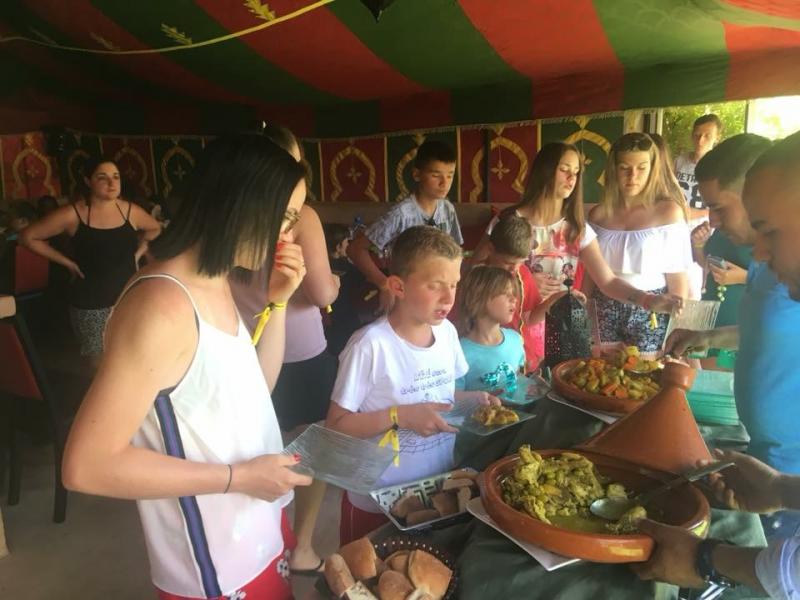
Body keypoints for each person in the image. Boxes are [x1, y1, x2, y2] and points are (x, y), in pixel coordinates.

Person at [61, 134, 313, 600]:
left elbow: (255, 390)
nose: (288, 236)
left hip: (256, 525)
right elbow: (87, 465)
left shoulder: (214, 282)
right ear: (239, 205)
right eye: (284, 217)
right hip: (214, 565)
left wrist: (277, 304)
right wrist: (239, 478)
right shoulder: (162, 306)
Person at [326, 226, 498, 544]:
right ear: (398, 286)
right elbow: (336, 426)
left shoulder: (447, 333)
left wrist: (475, 399)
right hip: (377, 500)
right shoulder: (370, 345)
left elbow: (439, 396)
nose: (449, 298)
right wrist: (400, 416)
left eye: (454, 285)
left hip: (435, 491)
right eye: (435, 286)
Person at [666, 131, 800, 537]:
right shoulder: (765, 263)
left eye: (719, 207)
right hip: (770, 467)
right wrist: (707, 338)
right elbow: (764, 332)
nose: (713, 221)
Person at [229, 124, 338, 577]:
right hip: (298, 348)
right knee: (312, 449)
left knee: (256, 450)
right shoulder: (303, 215)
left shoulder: (229, 214)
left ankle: (267, 546)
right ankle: (303, 547)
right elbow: (320, 292)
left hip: (241, 346)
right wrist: (336, 283)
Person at [472, 142, 683, 364]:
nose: (571, 178)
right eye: (564, 170)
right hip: (508, 327)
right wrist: (522, 281)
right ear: (545, 170)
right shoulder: (507, 221)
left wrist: (647, 300)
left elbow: (608, 281)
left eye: (576, 172)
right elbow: (474, 271)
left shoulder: (576, 229)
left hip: (561, 330)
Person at [21, 157, 161, 361]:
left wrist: (139, 252)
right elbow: (28, 237)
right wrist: (67, 262)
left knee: (134, 358)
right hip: (90, 302)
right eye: (102, 177)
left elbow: (155, 228)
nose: (112, 183)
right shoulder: (73, 214)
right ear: (88, 181)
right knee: (99, 363)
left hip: (129, 298)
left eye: (116, 177)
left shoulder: (130, 211)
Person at [586, 132, 691, 354]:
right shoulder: (598, 214)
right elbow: (590, 272)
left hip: (652, 306)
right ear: (613, 170)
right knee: (600, 371)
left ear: (652, 169)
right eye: (624, 167)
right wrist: (583, 307)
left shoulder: (669, 212)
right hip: (603, 304)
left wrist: (677, 325)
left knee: (647, 371)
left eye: (641, 168)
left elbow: (677, 276)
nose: (632, 176)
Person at [347, 140, 463, 314]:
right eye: (436, 175)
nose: (444, 183)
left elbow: (455, 250)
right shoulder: (401, 214)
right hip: (405, 296)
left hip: (436, 295)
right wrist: (384, 284)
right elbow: (355, 249)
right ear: (417, 174)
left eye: (450, 175)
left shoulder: (447, 209)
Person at [454, 265, 525, 394]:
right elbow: (454, 400)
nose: (514, 299)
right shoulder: (460, 352)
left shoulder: (515, 340)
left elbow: (517, 379)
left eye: (513, 294)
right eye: (506, 294)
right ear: (478, 298)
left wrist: (532, 385)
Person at [323, 222, 365, 357]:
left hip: (326, 324)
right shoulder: (347, 268)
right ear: (338, 247)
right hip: (345, 321)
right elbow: (362, 281)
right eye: (347, 242)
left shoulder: (321, 266)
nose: (348, 245)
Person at [674, 113, 723, 214]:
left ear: (717, 138)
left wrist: (692, 214)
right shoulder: (679, 161)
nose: (700, 140)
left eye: (707, 136)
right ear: (692, 135)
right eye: (697, 135)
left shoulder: (721, 167)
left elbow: (721, 207)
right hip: (677, 220)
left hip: (704, 222)